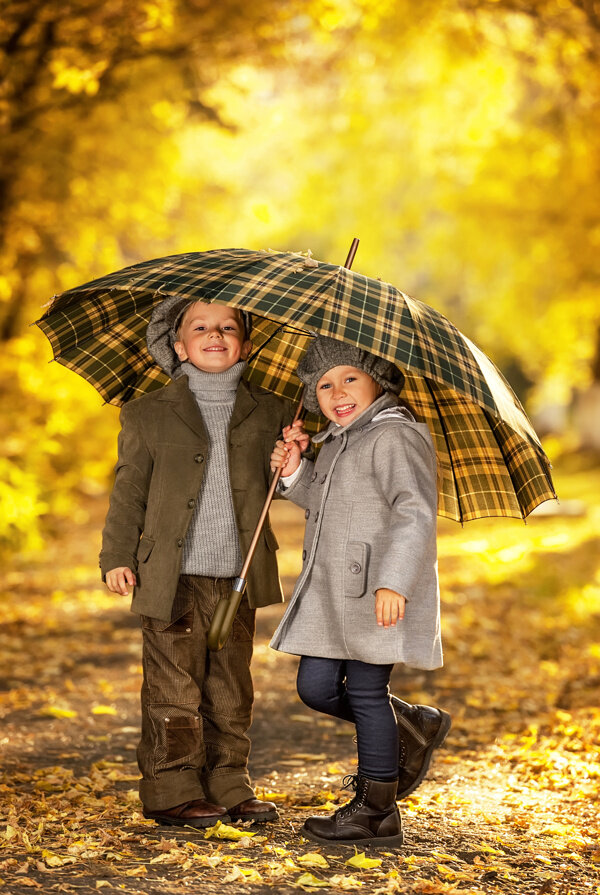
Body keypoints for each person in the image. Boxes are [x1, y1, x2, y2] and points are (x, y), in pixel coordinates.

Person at [101, 298, 294, 828]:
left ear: (246, 344)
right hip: (171, 574)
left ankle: (229, 782)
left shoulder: (275, 412)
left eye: (228, 328)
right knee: (174, 685)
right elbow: (129, 491)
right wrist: (117, 555)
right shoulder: (147, 412)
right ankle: (172, 786)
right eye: (201, 328)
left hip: (239, 575)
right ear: (178, 344)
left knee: (231, 685)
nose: (216, 336)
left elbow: (295, 485)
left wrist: (296, 455)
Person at [269, 335, 451, 847]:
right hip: (332, 593)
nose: (336, 391)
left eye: (350, 377)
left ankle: (376, 809)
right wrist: (297, 469)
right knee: (317, 688)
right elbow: (324, 504)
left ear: (378, 379)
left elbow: (413, 512)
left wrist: (395, 581)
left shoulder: (394, 435)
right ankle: (410, 724)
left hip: (375, 590)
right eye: (324, 384)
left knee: (367, 694)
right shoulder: (340, 438)